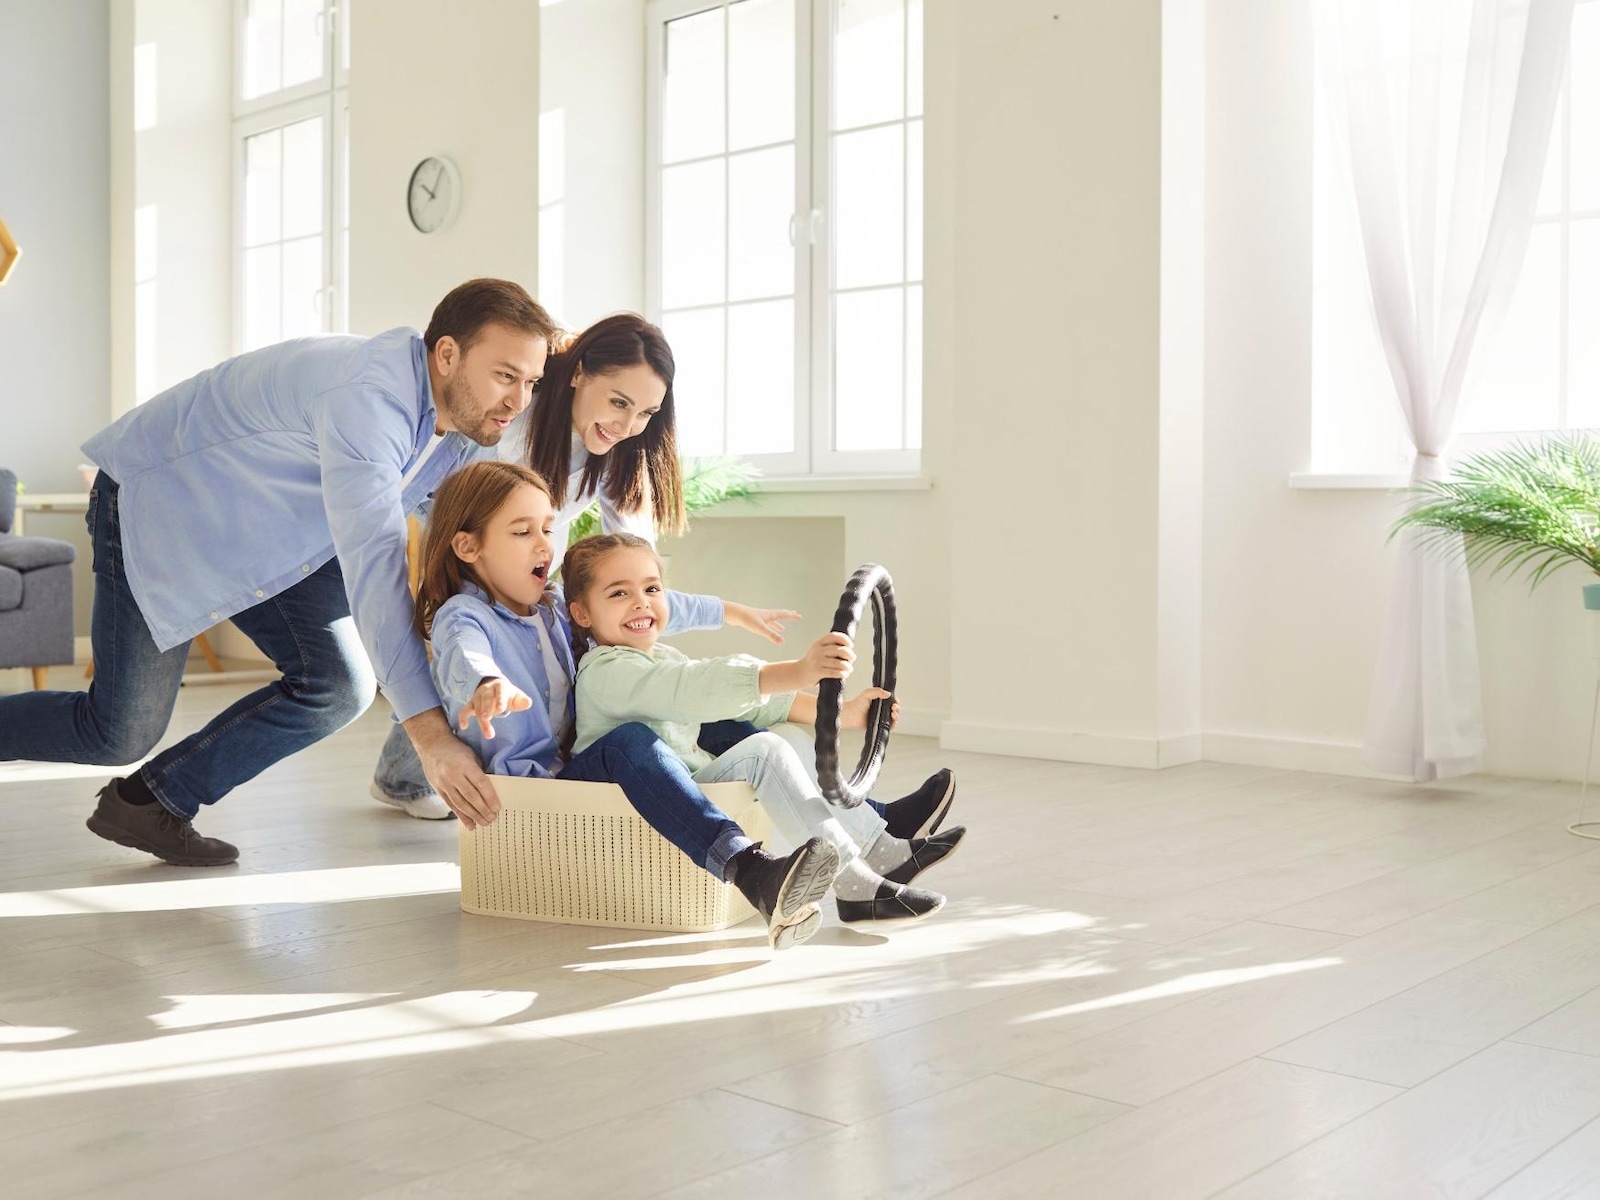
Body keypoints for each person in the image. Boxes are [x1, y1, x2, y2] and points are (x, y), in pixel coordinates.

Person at [0, 278, 553, 864]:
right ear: (447, 354)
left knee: (338, 685)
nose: (518, 400)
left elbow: (463, 533)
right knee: (116, 733)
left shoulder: (456, 430)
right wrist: (431, 738)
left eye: (531, 382)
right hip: (161, 502)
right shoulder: (369, 402)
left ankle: (152, 801)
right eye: (505, 376)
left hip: (269, 533)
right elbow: (376, 571)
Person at [371, 312, 961, 846]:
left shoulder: (609, 458)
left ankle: (873, 822)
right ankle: (404, 773)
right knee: (474, 669)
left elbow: (630, 567)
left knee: (676, 703)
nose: (628, 424)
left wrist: (702, 611)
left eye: (645, 413)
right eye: (618, 402)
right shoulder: (511, 437)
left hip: (528, 607)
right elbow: (451, 529)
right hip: (470, 577)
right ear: (578, 375)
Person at [417, 459, 840, 948]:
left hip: (572, 766)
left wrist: (734, 612)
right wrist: (487, 682)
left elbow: (656, 601)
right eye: (522, 532)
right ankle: (747, 867)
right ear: (469, 546)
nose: (543, 545)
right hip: (527, 791)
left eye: (548, 528)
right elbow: (465, 652)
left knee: (710, 721)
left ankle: (867, 816)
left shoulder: (552, 606)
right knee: (631, 741)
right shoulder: (463, 615)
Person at [564, 532, 965, 926]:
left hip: (681, 782)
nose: (641, 603)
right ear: (582, 614)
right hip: (614, 799)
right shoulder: (604, 672)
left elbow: (762, 703)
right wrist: (796, 671)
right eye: (619, 593)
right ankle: (854, 882)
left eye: (652, 588)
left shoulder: (663, 655)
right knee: (755, 748)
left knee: (780, 737)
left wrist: (843, 713)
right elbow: (689, 687)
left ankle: (876, 843)